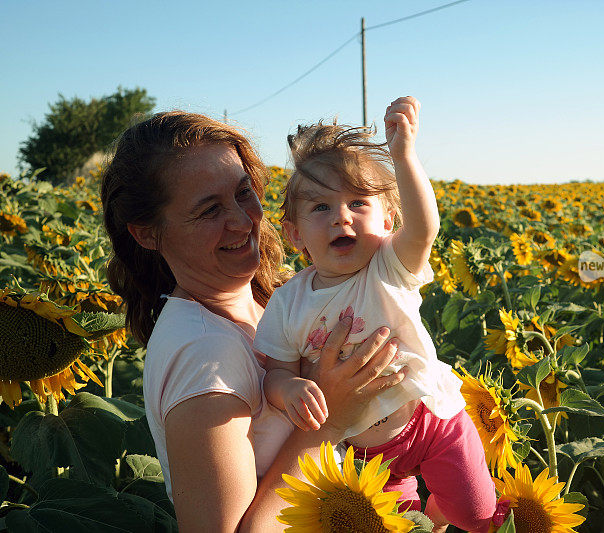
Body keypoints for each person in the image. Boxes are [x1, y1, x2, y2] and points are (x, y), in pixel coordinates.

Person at [100, 110, 406, 531]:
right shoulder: (205, 357)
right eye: (209, 211)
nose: (244, 221)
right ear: (147, 234)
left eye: (244, 193)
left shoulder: (271, 304)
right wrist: (331, 418)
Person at [253, 97, 496, 532]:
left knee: (475, 514)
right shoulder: (287, 302)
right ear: (294, 234)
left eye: (358, 203)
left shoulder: (389, 268)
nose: (340, 218)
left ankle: (440, 512)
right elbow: (276, 371)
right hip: (361, 452)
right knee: (394, 525)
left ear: (388, 221)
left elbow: (425, 228)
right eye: (320, 207)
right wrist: (288, 388)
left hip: (428, 419)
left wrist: (403, 156)